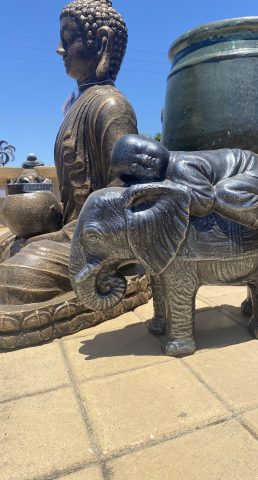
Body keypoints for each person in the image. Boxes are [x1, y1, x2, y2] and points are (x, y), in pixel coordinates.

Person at [0, 0, 138, 305]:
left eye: (69, 37)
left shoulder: (111, 106)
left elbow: (124, 194)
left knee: (14, 278)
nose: (60, 49)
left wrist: (63, 236)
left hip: (100, 240)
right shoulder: (78, 106)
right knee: (9, 244)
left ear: (101, 43)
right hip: (70, 230)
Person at [110, 134, 258, 243]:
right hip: (251, 171)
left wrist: (159, 189)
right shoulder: (173, 168)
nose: (144, 159)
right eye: (135, 167)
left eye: (141, 149)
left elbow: (206, 201)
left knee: (222, 193)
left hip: (256, 171)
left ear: (148, 139)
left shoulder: (180, 165)